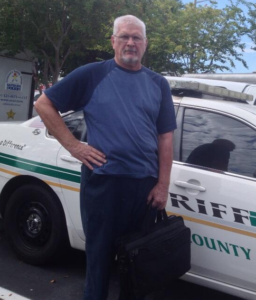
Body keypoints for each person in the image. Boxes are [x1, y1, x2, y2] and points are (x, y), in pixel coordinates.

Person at [35, 15, 177, 300]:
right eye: (124, 36)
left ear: (145, 44)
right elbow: (44, 104)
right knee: (99, 263)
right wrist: (75, 146)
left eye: (136, 37)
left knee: (138, 265)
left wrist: (163, 185)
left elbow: (165, 137)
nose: (130, 42)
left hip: (145, 189)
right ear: (113, 41)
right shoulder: (93, 74)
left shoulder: (158, 84)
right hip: (103, 184)